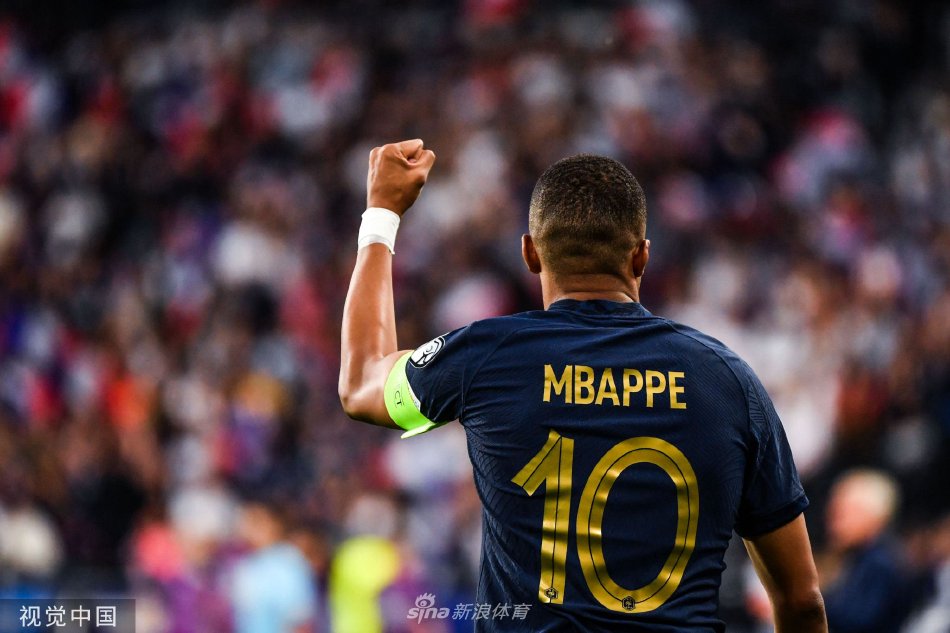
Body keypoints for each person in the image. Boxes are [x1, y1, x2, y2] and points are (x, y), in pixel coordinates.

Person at [339, 139, 827, 632]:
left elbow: (361, 384)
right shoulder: (726, 379)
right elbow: (802, 601)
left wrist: (382, 214)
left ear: (531, 253)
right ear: (641, 257)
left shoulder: (485, 356)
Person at [822, 469, 910, 633]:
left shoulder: (882, 563)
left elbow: (857, 622)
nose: (833, 523)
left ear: (875, 516)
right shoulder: (859, 557)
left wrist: (803, 607)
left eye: (842, 514)